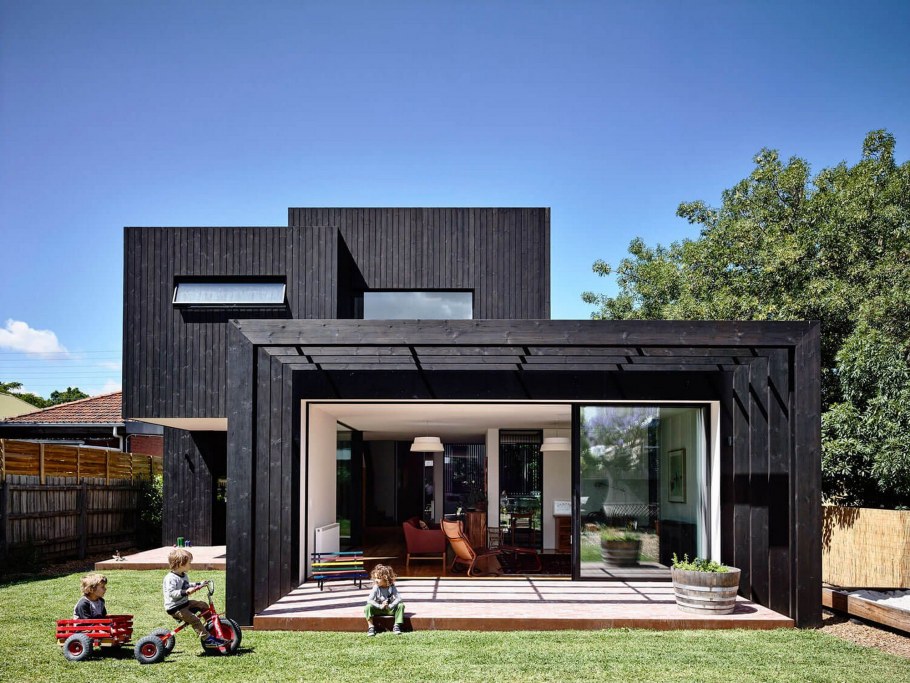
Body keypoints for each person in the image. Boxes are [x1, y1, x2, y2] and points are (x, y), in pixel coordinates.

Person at [163, 547, 225, 646]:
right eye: (189, 563)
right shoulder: (170, 578)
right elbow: (172, 593)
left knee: (203, 605)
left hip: (184, 603)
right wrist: (186, 592)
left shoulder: (183, 575)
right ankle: (208, 640)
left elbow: (187, 585)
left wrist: (199, 584)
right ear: (181, 564)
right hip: (175, 608)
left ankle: (211, 626)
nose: (190, 564)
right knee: (195, 620)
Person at [364, 564, 405, 636]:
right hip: (379, 609)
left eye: (378, 578)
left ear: (385, 578)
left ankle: (396, 626)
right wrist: (380, 606)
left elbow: (399, 598)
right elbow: (369, 600)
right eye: (375, 578)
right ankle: (371, 627)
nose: (376, 580)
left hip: (389, 609)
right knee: (368, 607)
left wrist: (391, 606)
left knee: (401, 605)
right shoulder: (376, 587)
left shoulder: (392, 587)